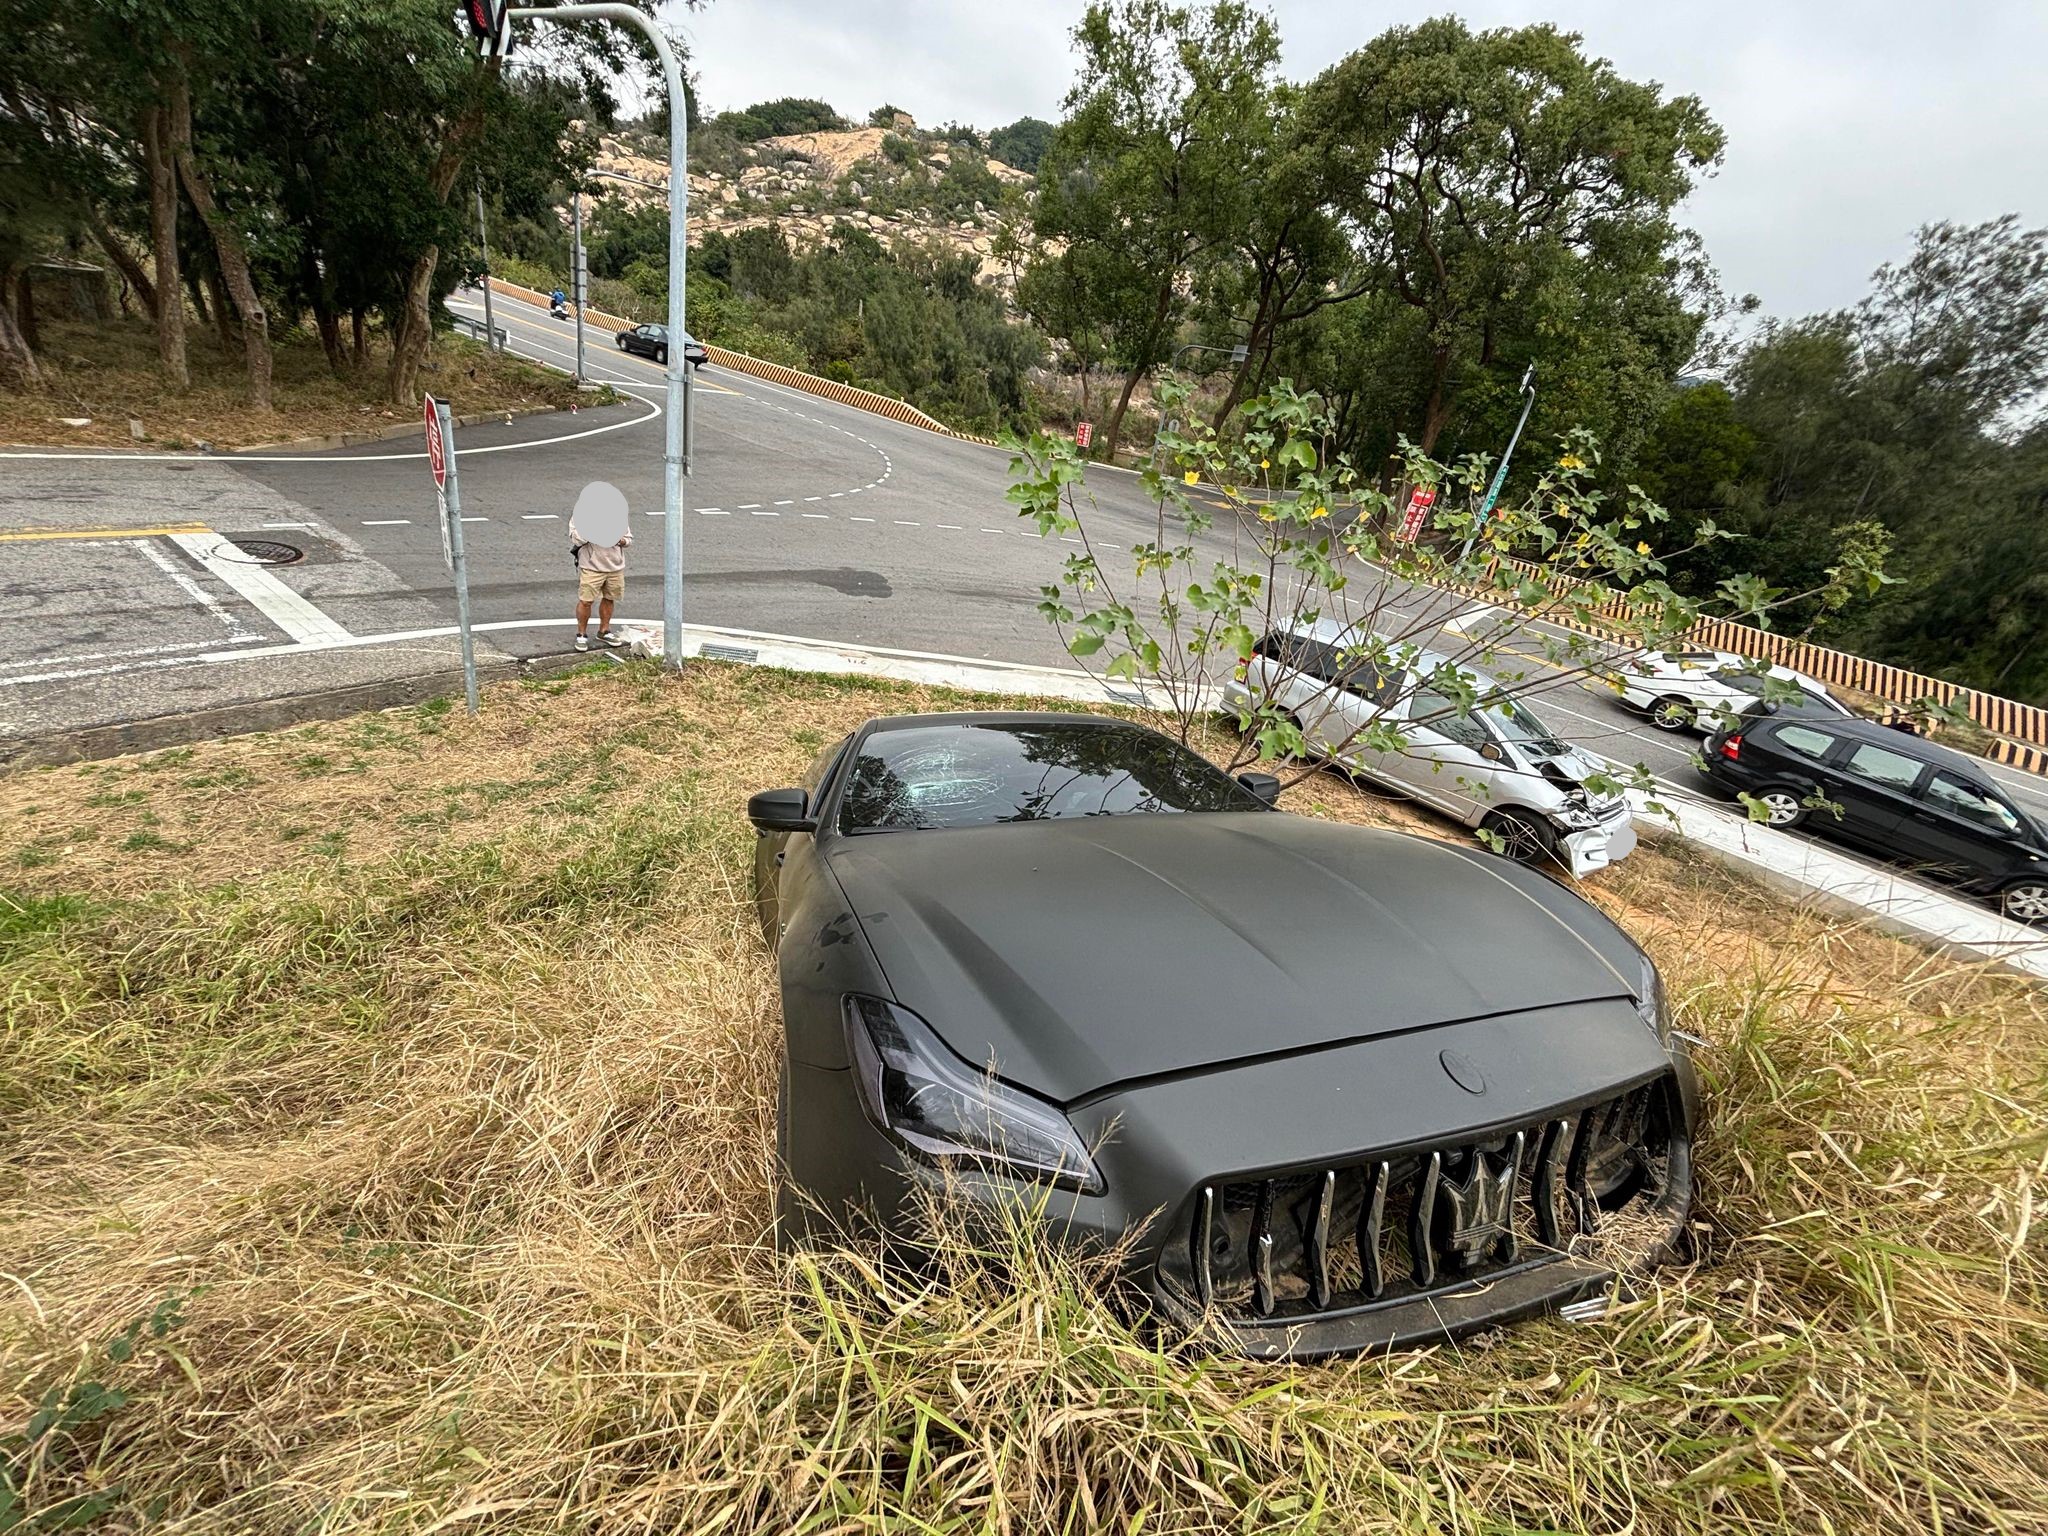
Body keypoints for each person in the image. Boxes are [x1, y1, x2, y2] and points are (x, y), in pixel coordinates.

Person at [568, 481, 631, 651]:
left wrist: (620, 539)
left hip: (615, 565)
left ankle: (604, 630)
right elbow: (575, 538)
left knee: (610, 598)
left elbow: (628, 539)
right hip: (591, 566)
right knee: (586, 600)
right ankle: (581, 634)